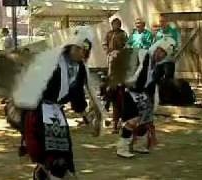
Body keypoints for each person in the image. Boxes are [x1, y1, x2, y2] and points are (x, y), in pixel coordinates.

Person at [11, 29, 94, 179]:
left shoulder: (80, 68)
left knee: (63, 154)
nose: (81, 53)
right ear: (70, 47)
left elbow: (78, 95)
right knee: (51, 157)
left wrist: (84, 115)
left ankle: (44, 174)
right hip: (37, 110)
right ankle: (45, 172)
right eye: (78, 48)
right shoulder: (52, 60)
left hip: (56, 111)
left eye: (85, 50)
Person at [116, 37, 176, 158]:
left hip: (142, 93)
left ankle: (138, 145)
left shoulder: (157, 67)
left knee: (145, 119)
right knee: (133, 120)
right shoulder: (143, 55)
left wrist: (152, 101)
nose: (160, 55)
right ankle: (122, 148)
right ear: (156, 48)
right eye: (159, 51)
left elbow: (152, 83)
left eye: (163, 54)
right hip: (129, 90)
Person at [102, 18, 128, 134]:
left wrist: (120, 53)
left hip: (120, 57)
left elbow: (127, 45)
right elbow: (104, 44)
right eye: (114, 24)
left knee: (120, 97)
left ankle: (119, 122)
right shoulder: (109, 33)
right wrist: (108, 52)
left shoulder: (123, 34)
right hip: (111, 56)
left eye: (117, 24)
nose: (115, 25)